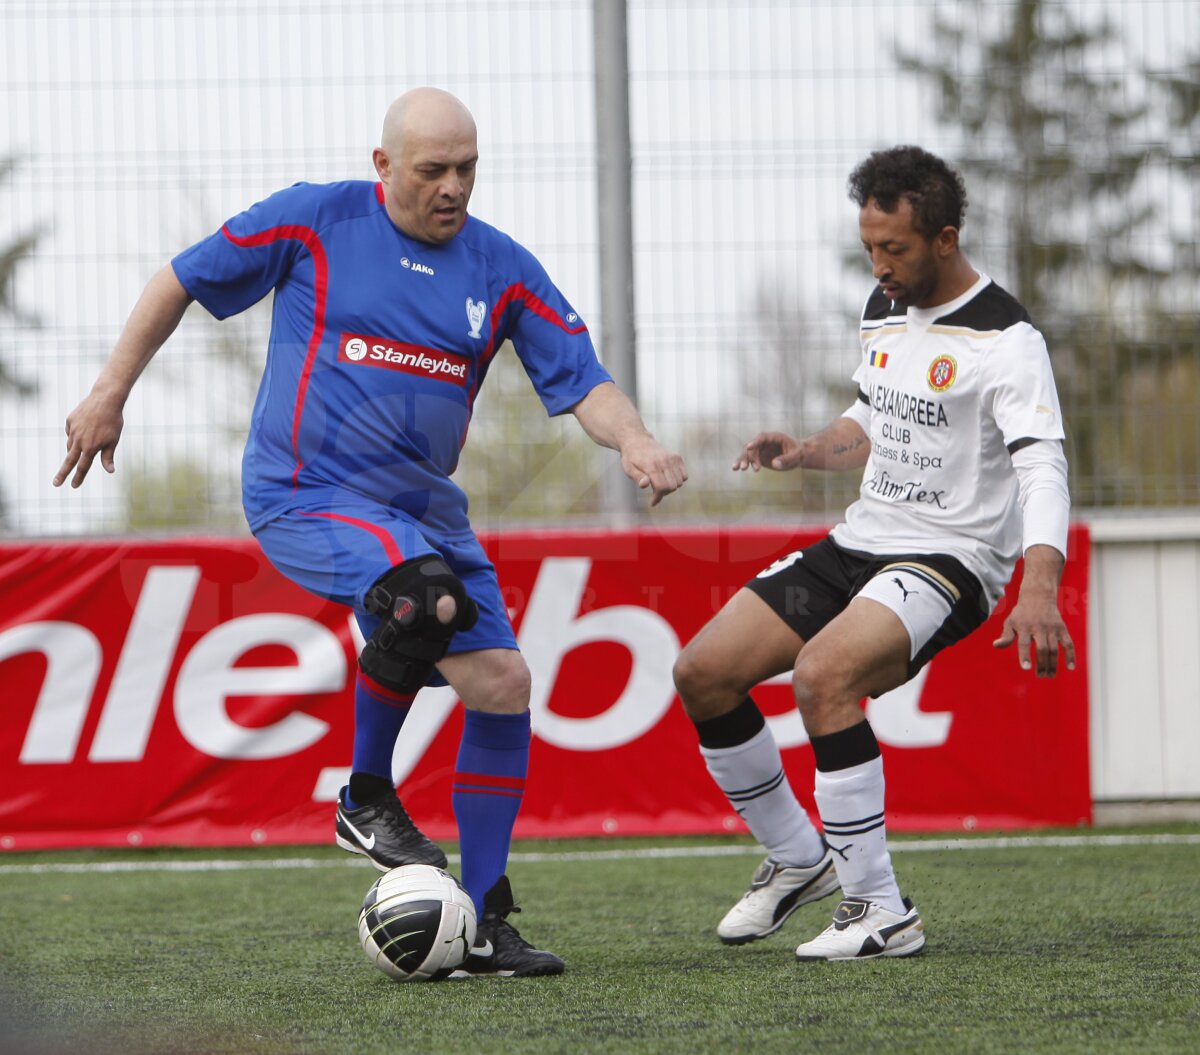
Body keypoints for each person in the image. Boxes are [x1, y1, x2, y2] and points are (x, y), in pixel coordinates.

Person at [54, 86, 687, 978]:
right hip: (305, 493)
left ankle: (485, 921)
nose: (454, 187)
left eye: (468, 168)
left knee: (503, 682)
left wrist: (637, 439)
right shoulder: (315, 220)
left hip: (425, 511)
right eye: (433, 169)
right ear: (383, 164)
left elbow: (581, 377)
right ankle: (365, 793)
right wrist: (109, 392)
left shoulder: (501, 267)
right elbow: (181, 278)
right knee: (423, 596)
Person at [672, 145, 1074, 962]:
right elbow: (871, 417)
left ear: (946, 239)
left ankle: (880, 908)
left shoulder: (1007, 339)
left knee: (824, 676)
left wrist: (1040, 585)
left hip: (952, 559)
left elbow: (1043, 465)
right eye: (870, 248)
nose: (880, 265)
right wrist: (807, 448)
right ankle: (796, 858)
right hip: (862, 539)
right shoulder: (883, 308)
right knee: (702, 671)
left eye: (895, 249)